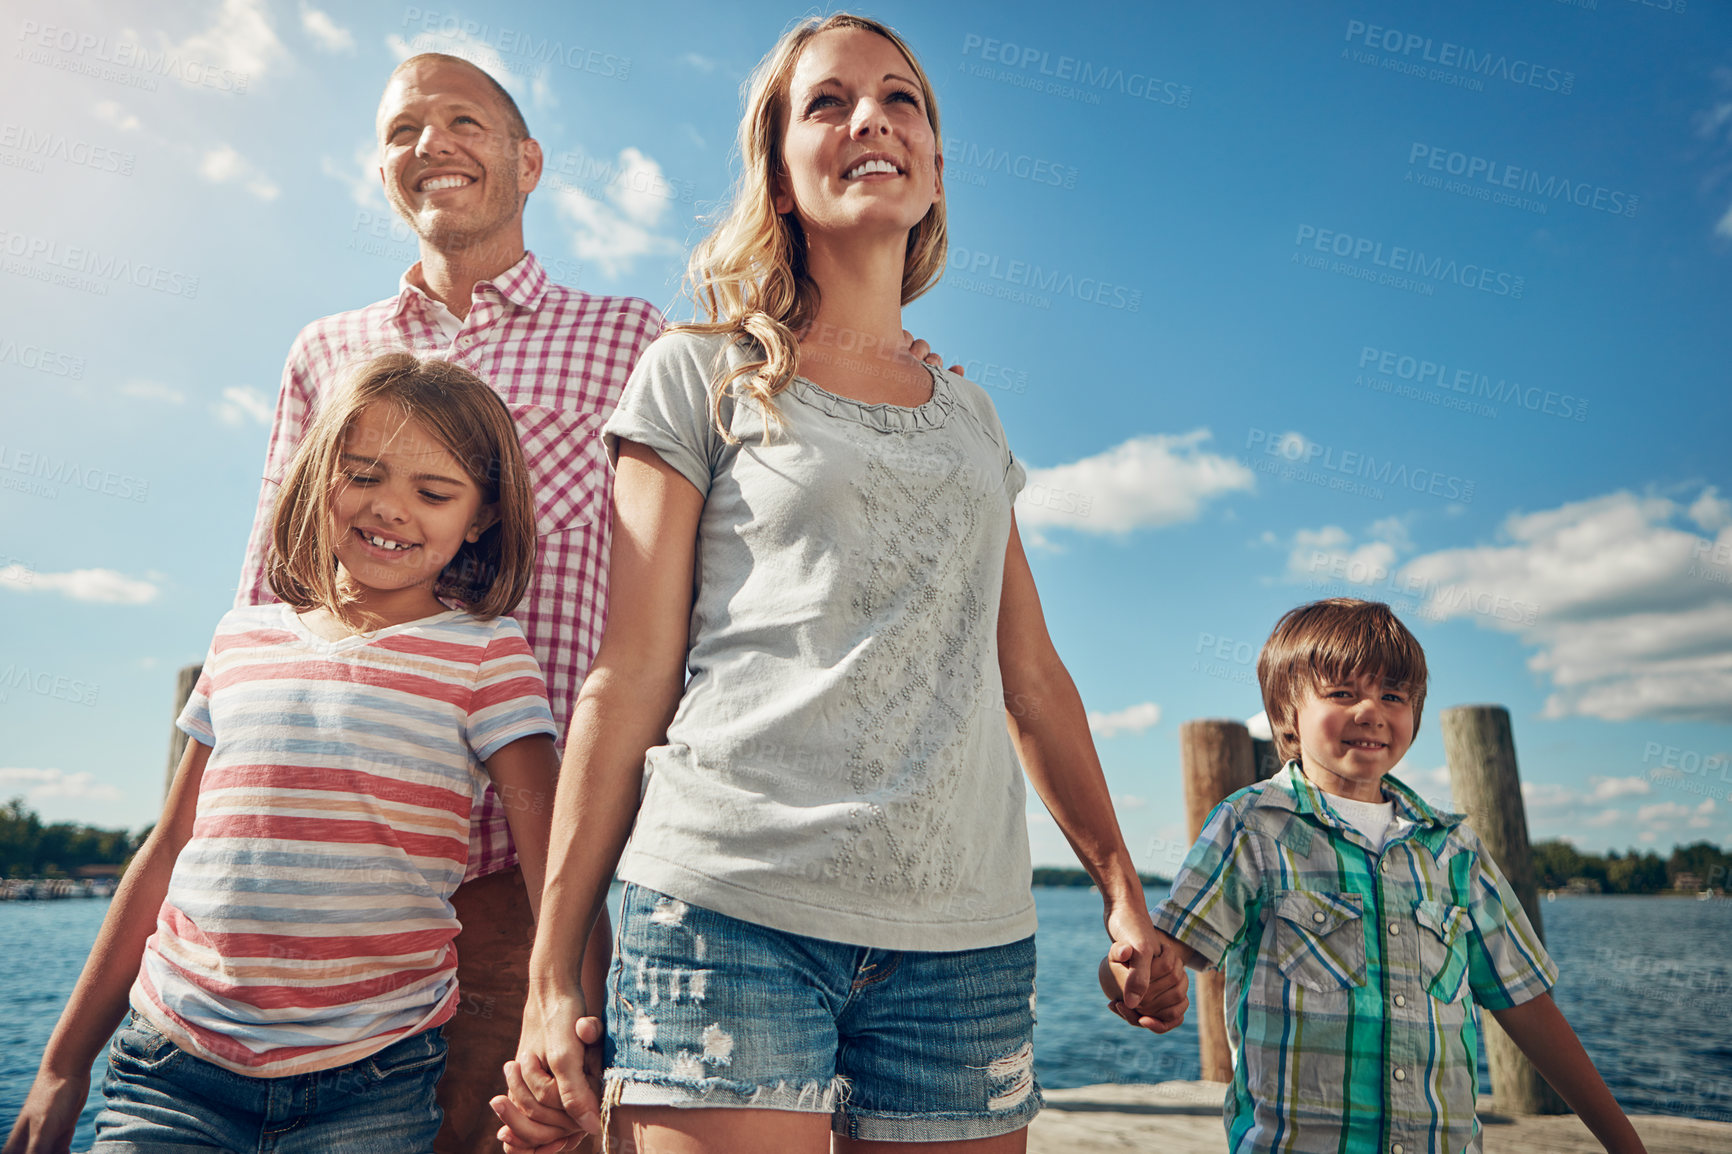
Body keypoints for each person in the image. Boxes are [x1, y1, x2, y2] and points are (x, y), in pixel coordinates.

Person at [496, 15, 1186, 1154]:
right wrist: (551, 970)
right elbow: (627, 674)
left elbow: (1032, 676)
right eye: (827, 103)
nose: (870, 119)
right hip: (730, 908)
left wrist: (1121, 889)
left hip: (966, 939)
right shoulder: (696, 371)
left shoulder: (973, 414)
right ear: (776, 166)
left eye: (900, 100)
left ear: (935, 165)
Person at [232, 52, 662, 1153]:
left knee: (528, 1132)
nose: (432, 143)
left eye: (464, 120)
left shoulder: (636, 340)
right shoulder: (324, 352)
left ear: (528, 161)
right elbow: (271, 586)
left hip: (542, 859)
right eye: (403, 129)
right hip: (347, 860)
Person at [4, 354, 561, 1154]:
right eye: (363, 474)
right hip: (172, 1064)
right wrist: (61, 1068)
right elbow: (166, 852)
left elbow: (555, 863)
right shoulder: (242, 638)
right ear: (320, 476)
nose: (392, 508)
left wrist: (569, 1016)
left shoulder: (485, 654)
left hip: (374, 1079)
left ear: (480, 518)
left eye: (433, 492)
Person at [1113, 598, 1648, 1154]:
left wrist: (1624, 1144)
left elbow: (1526, 1004)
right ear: (1286, 715)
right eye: (1343, 693)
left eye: (1393, 696)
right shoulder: (1253, 827)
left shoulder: (1451, 847)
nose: (1371, 710)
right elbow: (1158, 961)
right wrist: (1130, 982)